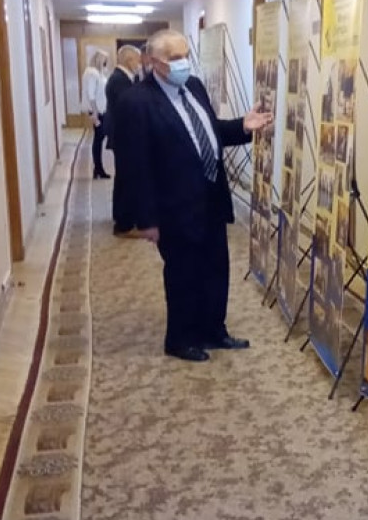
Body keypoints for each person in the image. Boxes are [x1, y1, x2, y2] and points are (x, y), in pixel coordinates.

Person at [114, 29, 273, 362]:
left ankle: (213, 330)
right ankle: (180, 338)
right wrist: (146, 219)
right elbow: (134, 166)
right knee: (183, 274)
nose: (183, 63)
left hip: (211, 196)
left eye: (185, 55)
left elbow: (209, 132)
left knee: (216, 268)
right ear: (153, 61)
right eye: (174, 58)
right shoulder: (136, 102)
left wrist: (243, 126)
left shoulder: (194, 87)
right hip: (173, 206)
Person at [104, 45, 143, 235]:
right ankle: (124, 222)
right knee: (126, 179)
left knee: (124, 177)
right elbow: (128, 109)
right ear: (129, 60)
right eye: (138, 60)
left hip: (124, 136)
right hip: (124, 136)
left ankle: (123, 216)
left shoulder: (122, 79)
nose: (140, 64)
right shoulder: (119, 81)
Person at [81, 49, 110, 178]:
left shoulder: (99, 73)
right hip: (96, 111)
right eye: (104, 60)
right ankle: (98, 168)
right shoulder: (91, 73)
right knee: (99, 137)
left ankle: (98, 168)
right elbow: (90, 94)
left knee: (99, 137)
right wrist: (95, 113)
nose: (105, 63)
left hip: (102, 109)